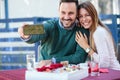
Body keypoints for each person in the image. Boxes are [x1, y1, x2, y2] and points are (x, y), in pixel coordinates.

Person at [18, 0, 89, 66]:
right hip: (46, 71)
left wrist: (54, 61)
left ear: (77, 13)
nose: (66, 17)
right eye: (63, 12)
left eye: (71, 13)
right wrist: (25, 32)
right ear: (58, 11)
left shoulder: (82, 30)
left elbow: (79, 58)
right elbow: (35, 33)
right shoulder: (50, 25)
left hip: (69, 72)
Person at [75, 1, 120, 70]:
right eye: (81, 16)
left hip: (114, 72)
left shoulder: (98, 32)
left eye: (87, 15)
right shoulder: (94, 31)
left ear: (93, 15)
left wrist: (86, 47)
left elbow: (104, 64)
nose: (84, 19)